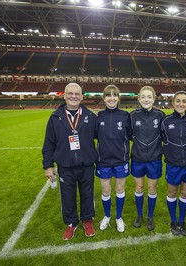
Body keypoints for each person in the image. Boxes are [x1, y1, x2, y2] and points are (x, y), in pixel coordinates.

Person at [42, 83, 97, 240]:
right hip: (65, 166)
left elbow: (102, 137)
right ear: (64, 95)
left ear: (82, 96)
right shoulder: (55, 117)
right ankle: (71, 223)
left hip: (86, 165)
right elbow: (49, 143)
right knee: (67, 196)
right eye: (70, 93)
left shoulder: (90, 116)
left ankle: (87, 220)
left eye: (77, 94)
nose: (74, 96)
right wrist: (48, 166)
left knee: (87, 194)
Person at [96, 85, 132, 233]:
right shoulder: (98, 116)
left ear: (118, 98)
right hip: (103, 161)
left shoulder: (125, 116)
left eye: (114, 95)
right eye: (108, 96)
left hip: (120, 160)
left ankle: (118, 217)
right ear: (104, 98)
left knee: (119, 188)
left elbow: (131, 135)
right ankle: (107, 216)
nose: (111, 98)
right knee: (105, 191)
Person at [161, 91, 186, 236]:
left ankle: (182, 221)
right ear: (173, 103)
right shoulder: (166, 121)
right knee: (172, 192)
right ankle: (173, 220)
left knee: (185, 192)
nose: (181, 104)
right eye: (178, 101)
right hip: (173, 165)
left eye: (184, 101)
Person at [130, 86, 165, 231]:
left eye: (149, 97)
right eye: (143, 97)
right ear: (138, 99)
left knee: (152, 188)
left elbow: (164, 135)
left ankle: (150, 216)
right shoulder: (132, 115)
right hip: (138, 158)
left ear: (154, 99)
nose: (146, 99)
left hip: (154, 159)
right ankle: (139, 215)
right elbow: (127, 134)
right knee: (138, 187)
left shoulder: (161, 115)